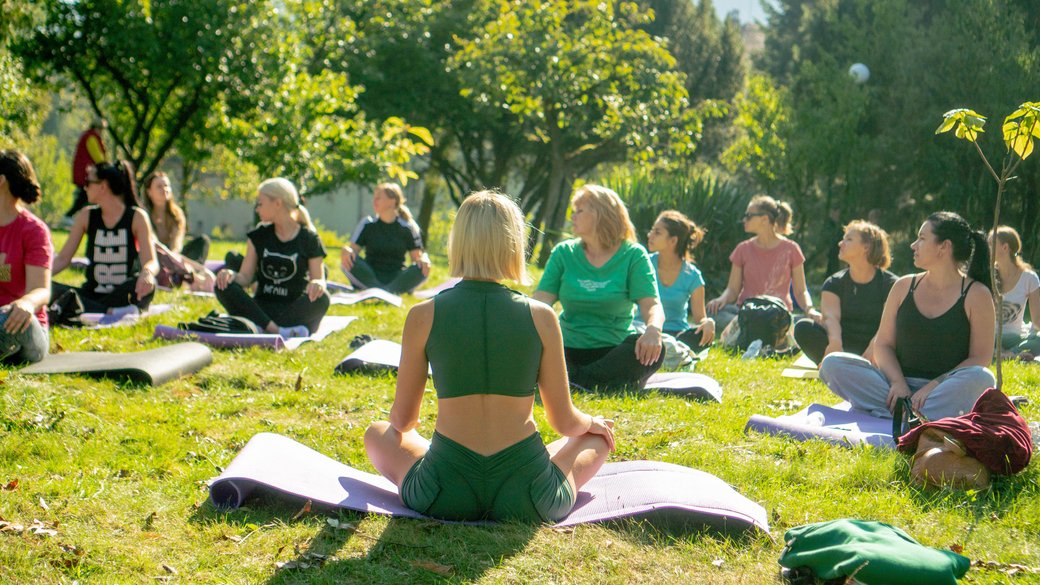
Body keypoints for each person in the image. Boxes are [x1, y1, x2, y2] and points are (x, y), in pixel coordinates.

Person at [365, 191, 614, 522]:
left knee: (377, 432)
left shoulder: (424, 315)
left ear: (460, 242)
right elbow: (564, 422)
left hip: (442, 491)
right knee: (593, 439)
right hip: (529, 494)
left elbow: (404, 422)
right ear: (513, 244)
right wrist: (591, 424)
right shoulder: (541, 316)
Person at [819, 212, 996, 421]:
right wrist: (897, 383)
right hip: (893, 388)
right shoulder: (903, 286)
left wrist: (933, 386)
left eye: (921, 239)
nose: (914, 245)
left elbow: (980, 358)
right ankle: (917, 415)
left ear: (944, 246)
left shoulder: (977, 294)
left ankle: (901, 414)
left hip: (944, 389)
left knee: (982, 378)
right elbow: (883, 344)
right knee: (833, 364)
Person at [532, 185, 664, 391]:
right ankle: (590, 381)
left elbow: (651, 304)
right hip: (566, 349)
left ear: (601, 214)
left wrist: (653, 330)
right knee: (535, 348)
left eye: (579, 211)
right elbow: (540, 301)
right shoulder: (563, 253)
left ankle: (573, 381)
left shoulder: (633, 255)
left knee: (655, 350)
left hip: (615, 350)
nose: (573, 217)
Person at [214, 178, 329, 338]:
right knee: (222, 285)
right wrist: (231, 275)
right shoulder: (258, 236)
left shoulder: (309, 238)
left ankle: (263, 325)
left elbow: (319, 279)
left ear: (277, 203)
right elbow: (245, 277)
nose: (257, 209)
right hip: (262, 307)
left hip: (292, 308)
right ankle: (277, 330)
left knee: (323, 298)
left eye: (260, 203)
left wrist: (317, 284)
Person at [52, 161, 159, 314]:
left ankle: (87, 309)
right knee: (48, 289)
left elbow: (151, 260)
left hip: (123, 293)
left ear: (103, 186)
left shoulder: (136, 217)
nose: (85, 187)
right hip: (91, 295)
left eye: (88, 182)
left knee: (148, 285)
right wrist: (37, 280)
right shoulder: (86, 215)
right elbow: (63, 259)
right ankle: (108, 311)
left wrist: (147, 273)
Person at [706, 195, 816, 334]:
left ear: (764, 219)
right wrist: (720, 300)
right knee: (712, 312)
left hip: (778, 315)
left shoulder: (791, 249)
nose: (744, 219)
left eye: (749, 215)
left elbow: (801, 291)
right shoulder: (742, 249)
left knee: (808, 323)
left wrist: (810, 309)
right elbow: (733, 290)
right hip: (747, 313)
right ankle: (768, 332)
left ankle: (749, 331)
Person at [793, 220, 897, 365]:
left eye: (848, 239)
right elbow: (831, 317)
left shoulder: (890, 284)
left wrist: (875, 346)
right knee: (803, 327)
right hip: (844, 345)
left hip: (878, 344)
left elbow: (890, 325)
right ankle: (837, 364)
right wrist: (835, 343)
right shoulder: (834, 282)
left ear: (866, 247)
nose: (841, 243)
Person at [0, 150, 52, 363]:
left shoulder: (33, 230)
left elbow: (42, 290)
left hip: (26, 328)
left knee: (9, 317)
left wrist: (27, 303)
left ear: (1, 181)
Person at [644, 210, 714, 353]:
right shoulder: (643, 265)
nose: (649, 235)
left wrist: (707, 323)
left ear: (673, 240)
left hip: (678, 335)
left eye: (657, 232)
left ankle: (669, 349)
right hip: (646, 330)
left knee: (699, 336)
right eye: (652, 231)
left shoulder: (692, 276)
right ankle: (670, 351)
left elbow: (699, 318)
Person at [341, 183, 430, 294]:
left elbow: (417, 259)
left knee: (423, 266)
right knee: (348, 259)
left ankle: (381, 291)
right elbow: (353, 252)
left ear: (392, 201)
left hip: (397, 277)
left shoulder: (408, 227)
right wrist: (346, 251)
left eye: (378, 198)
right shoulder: (367, 224)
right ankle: (385, 291)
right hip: (370, 274)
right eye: (374, 198)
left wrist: (424, 258)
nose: (374, 201)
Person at [990, 226, 1040, 355]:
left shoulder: (1029, 278)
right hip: (988, 337)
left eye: (991, 245)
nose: (987, 249)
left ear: (1005, 247)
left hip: (1014, 339)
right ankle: (1011, 354)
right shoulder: (986, 275)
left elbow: (1037, 321)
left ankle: (1005, 354)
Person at [142, 172, 210, 263]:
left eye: (166, 185)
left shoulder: (177, 214)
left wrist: (172, 258)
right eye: (159, 186)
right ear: (149, 192)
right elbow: (152, 243)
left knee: (203, 240)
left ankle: (192, 273)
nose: (164, 189)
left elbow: (176, 245)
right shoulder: (143, 215)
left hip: (173, 257)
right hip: (153, 258)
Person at [62, 118, 107, 225]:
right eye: (101, 129)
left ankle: (75, 217)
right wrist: (106, 166)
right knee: (85, 196)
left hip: (84, 172)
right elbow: (98, 157)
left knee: (84, 197)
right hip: (85, 173)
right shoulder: (91, 137)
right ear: (97, 127)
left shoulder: (89, 136)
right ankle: (68, 216)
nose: (101, 132)